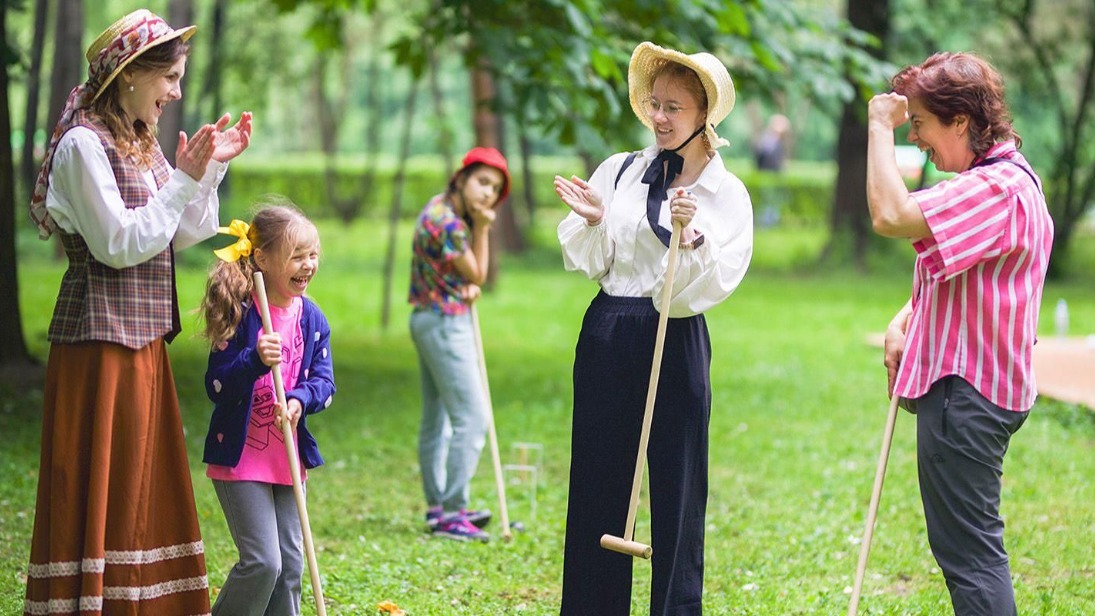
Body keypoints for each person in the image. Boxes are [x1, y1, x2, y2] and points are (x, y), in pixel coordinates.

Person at [24, 9, 252, 615]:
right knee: (102, 483)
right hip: (98, 343)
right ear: (130, 75)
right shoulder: (82, 146)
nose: (176, 91)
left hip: (141, 340)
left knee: (136, 486)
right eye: (170, 77)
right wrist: (181, 178)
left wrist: (210, 169)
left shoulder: (140, 140)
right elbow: (120, 245)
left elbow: (178, 234)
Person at [554, 42, 753, 615]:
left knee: (678, 488)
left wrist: (691, 242)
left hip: (675, 331)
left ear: (703, 117)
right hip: (610, 328)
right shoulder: (619, 170)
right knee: (596, 482)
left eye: (675, 108)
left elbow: (708, 283)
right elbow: (599, 261)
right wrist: (594, 222)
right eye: (655, 104)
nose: (661, 118)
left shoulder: (725, 193)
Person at [866, 52, 1053, 616]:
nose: (916, 136)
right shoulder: (1004, 179)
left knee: (970, 558)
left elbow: (890, 216)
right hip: (972, 392)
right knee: (967, 552)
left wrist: (878, 125)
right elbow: (955, 268)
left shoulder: (994, 188)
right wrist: (904, 320)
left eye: (921, 122)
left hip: (965, 396)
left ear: (961, 122)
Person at [199, 203, 335, 616]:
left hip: (286, 458)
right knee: (264, 563)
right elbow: (216, 385)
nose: (308, 265)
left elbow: (325, 384)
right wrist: (254, 359)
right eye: (297, 255)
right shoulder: (243, 315)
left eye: (312, 255)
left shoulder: (311, 318)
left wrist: (299, 399)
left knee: (291, 566)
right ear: (261, 258)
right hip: (241, 459)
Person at [408, 147, 510, 543]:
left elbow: (456, 273)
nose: (488, 194)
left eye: (495, 189)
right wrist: (483, 228)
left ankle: (439, 507)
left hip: (428, 317)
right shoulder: (450, 224)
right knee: (472, 417)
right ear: (462, 178)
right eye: (483, 182)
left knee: (438, 418)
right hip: (445, 325)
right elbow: (479, 273)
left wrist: (461, 284)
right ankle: (453, 512)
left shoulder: (436, 208)